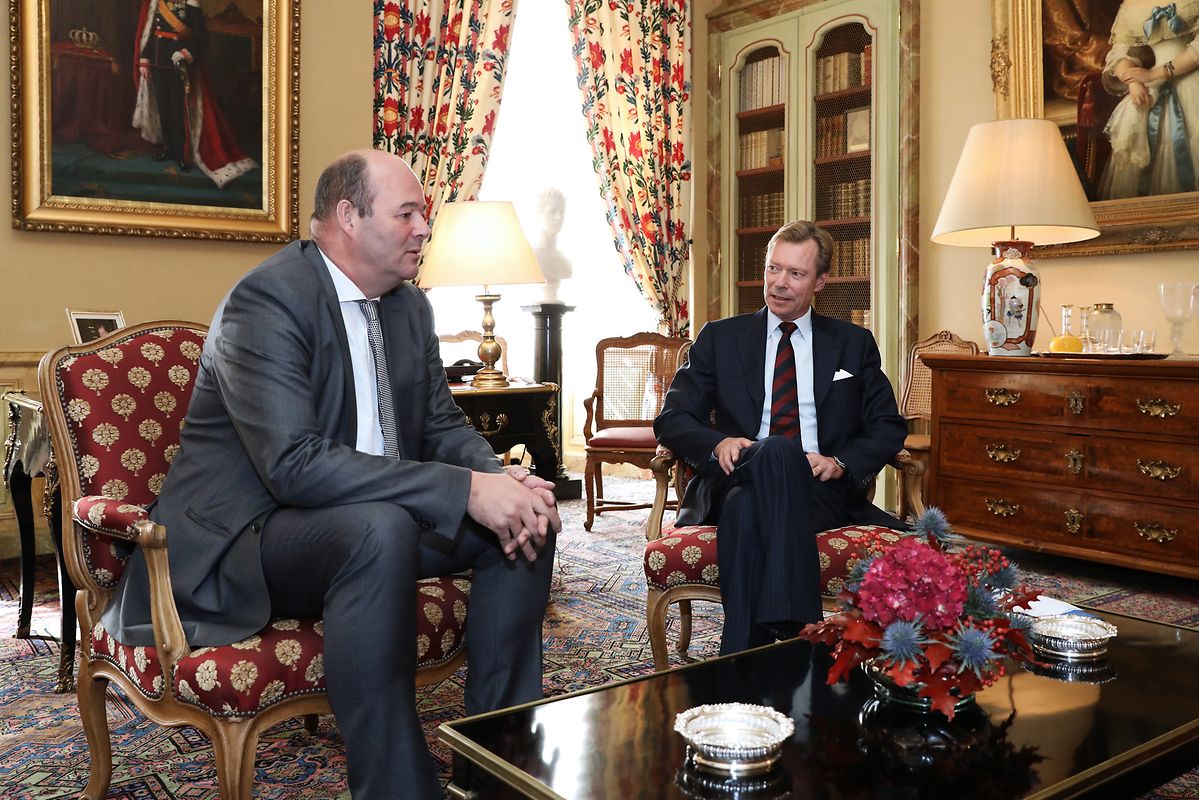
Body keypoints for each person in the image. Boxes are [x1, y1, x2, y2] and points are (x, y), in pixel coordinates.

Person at [100, 149, 561, 799]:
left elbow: (439, 425)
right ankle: (396, 788)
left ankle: (496, 767)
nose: (425, 229)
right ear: (348, 216)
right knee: (379, 530)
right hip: (250, 537)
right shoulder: (265, 302)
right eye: (407, 214)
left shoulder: (405, 308)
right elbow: (293, 468)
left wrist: (497, 481)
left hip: (366, 522)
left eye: (423, 215)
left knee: (527, 519)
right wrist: (463, 490)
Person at [654, 220, 905, 656]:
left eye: (796, 274)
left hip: (818, 490)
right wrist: (717, 444)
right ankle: (797, 639)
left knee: (749, 505)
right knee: (772, 454)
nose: (779, 284)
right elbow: (672, 418)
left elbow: (887, 425)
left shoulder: (852, 344)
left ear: (820, 282)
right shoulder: (721, 338)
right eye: (774, 269)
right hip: (734, 474)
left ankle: (738, 659)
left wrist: (840, 462)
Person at [132, 0, 256, 187]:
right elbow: (149, 32)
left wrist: (186, 52)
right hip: (158, 60)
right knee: (164, 106)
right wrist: (145, 57)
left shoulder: (190, 3)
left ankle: (182, 154)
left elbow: (202, 36)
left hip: (179, 62)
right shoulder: (155, 3)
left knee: (177, 108)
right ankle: (170, 149)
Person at [1099, 0, 1199, 199]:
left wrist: (1154, 74)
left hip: (1190, 81)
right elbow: (1121, 53)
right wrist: (1132, 81)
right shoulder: (1131, 5)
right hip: (1150, 87)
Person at [532, 187, 573, 302]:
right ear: (538, 213)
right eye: (553, 211)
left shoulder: (565, 261)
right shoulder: (532, 258)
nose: (559, 217)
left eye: (561, 212)